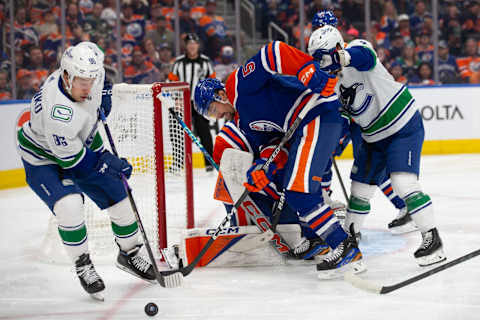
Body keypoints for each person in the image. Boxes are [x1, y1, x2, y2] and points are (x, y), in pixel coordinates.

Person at [194, 40, 365, 279]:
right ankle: (319, 238)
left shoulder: (238, 84)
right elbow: (274, 144)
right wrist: (262, 167)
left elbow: (273, 52)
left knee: (300, 192)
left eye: (213, 109)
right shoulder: (244, 122)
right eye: (211, 116)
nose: (217, 117)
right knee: (296, 189)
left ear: (220, 94)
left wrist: (306, 68)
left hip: (317, 113)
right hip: (306, 127)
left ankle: (344, 246)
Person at [15, 42, 156, 299]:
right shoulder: (58, 113)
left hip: (80, 141)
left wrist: (105, 92)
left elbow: (95, 66)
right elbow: (76, 163)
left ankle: (130, 254)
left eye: (92, 80)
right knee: (69, 206)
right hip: (43, 157)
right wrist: (106, 161)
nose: (88, 87)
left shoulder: (90, 74)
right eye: (82, 81)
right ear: (66, 75)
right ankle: (82, 263)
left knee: (119, 194)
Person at [307, 25, 446, 266]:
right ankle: (349, 241)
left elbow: (366, 57)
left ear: (338, 48)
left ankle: (432, 239)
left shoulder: (358, 49)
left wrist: (341, 58)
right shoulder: (329, 82)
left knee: (403, 182)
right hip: (372, 137)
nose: (322, 63)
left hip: (402, 126)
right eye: (317, 59)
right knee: (359, 190)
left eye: (325, 56)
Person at [168, 33, 217, 172]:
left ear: (198, 45)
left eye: (194, 43)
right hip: (182, 101)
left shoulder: (206, 62)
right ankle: (178, 162)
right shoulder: (178, 63)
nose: (192, 46)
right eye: (189, 43)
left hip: (200, 102)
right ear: (186, 45)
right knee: (177, 131)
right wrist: (176, 98)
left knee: (204, 131)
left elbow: (213, 83)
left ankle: (209, 162)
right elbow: (171, 82)